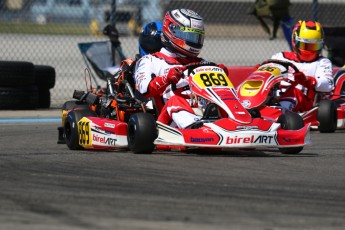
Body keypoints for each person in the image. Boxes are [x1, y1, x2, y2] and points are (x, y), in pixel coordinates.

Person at [134, 9, 228, 129]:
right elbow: (144, 90)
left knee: (220, 96)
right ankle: (195, 128)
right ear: (171, 31)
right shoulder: (150, 60)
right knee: (175, 101)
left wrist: (219, 74)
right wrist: (166, 79)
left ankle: (239, 122)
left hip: (204, 113)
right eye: (189, 35)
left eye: (196, 36)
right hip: (168, 123)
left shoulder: (201, 63)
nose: (193, 41)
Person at [270, 20, 334, 112]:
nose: (309, 50)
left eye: (314, 46)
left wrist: (306, 80)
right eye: (305, 45)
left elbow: (328, 85)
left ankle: (280, 115)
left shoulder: (323, 62)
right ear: (295, 42)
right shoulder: (279, 57)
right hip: (276, 96)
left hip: (305, 105)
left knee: (292, 92)